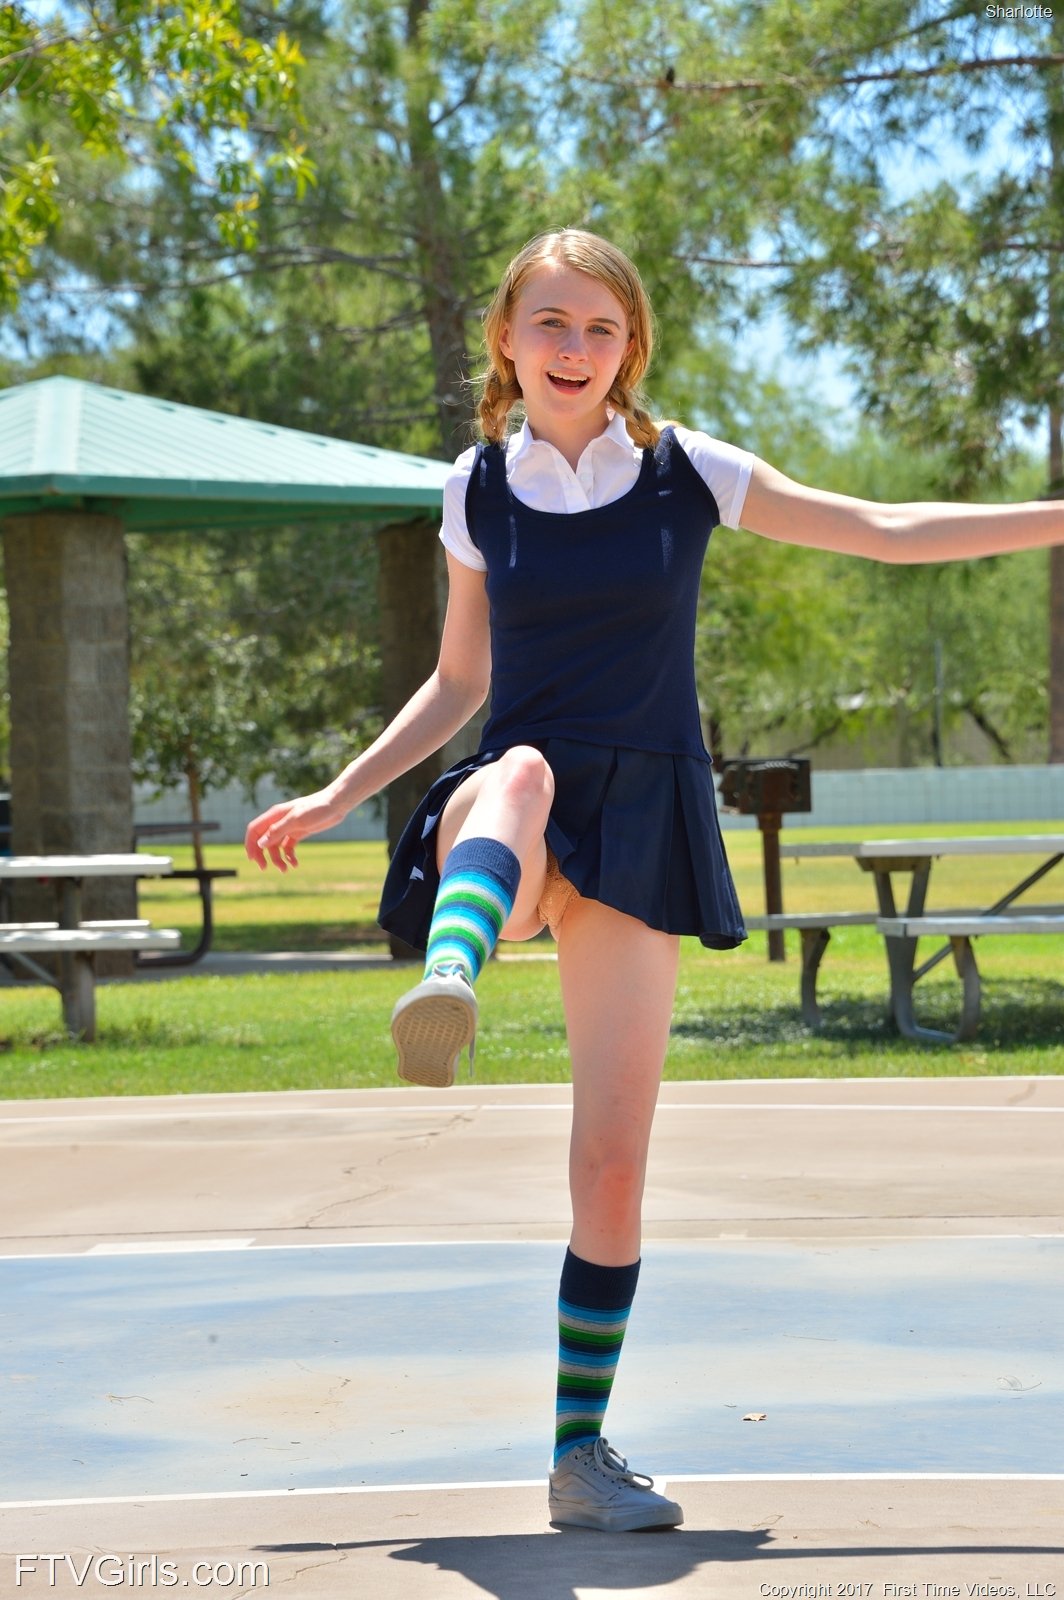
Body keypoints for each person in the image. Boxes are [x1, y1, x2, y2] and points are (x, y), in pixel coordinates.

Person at [245, 228, 1063, 1532]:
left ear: (631, 348)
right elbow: (460, 682)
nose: (575, 349)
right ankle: (450, 972)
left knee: (613, 1170)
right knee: (514, 772)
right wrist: (343, 792)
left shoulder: (690, 472)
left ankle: (580, 1460)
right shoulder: (476, 488)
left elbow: (884, 528)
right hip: (506, 829)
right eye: (551, 324)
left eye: (600, 329)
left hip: (644, 829)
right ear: (506, 341)